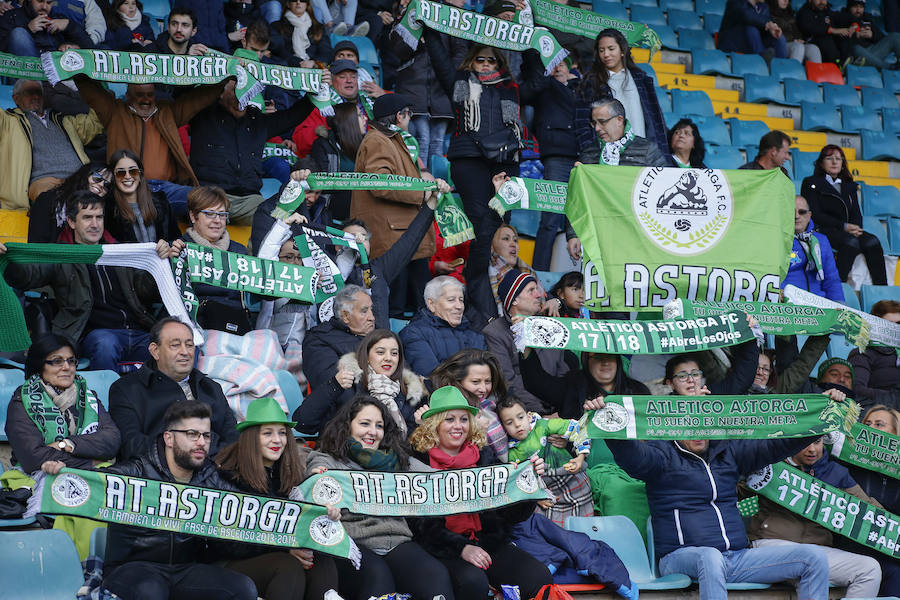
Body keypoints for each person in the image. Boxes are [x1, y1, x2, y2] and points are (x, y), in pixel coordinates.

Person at [587, 397, 832, 600]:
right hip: (680, 557)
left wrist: (822, 416)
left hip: (735, 558)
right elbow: (634, 457)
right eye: (689, 425)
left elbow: (776, 446)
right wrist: (611, 426)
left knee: (814, 558)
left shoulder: (728, 452)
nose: (698, 431)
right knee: (710, 556)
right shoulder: (663, 456)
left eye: (703, 423)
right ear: (674, 426)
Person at [73, 402, 257, 600]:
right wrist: (61, 473)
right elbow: (91, 482)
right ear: (169, 438)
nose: (202, 442)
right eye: (192, 434)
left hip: (186, 569)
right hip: (132, 568)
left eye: (206, 435)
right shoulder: (138, 471)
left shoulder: (211, 477)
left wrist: (286, 541)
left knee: (243, 588)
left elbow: (248, 516)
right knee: (151, 591)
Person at [409, 386, 554, 599]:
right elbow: (419, 525)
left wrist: (527, 486)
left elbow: (509, 514)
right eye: (449, 419)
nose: (458, 426)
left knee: (538, 577)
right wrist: (461, 548)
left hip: (487, 541)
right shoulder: (418, 461)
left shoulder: (483, 454)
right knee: (473, 582)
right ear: (434, 424)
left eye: (464, 419)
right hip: (443, 548)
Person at [307, 395, 455, 600]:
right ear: (347, 426)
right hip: (353, 544)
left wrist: (505, 476)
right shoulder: (329, 458)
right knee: (378, 577)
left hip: (396, 541)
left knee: (435, 575)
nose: (372, 432)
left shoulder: (397, 459)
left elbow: (444, 481)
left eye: (379, 426)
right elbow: (313, 480)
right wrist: (317, 481)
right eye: (364, 424)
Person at [1, 193, 162, 371]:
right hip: (93, 336)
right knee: (105, 343)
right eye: (87, 218)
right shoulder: (63, 255)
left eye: (99, 217)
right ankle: (104, 398)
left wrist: (163, 261)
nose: (95, 224)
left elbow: (148, 291)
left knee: (176, 344)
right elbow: (27, 276)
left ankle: (176, 397)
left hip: (138, 332)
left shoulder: (119, 253)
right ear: (71, 222)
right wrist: (7, 261)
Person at [214, 397, 340, 600]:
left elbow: (300, 526)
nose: (277, 440)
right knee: (288, 565)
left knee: (319, 557)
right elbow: (227, 542)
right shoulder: (228, 473)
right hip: (232, 560)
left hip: (277, 553)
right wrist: (283, 546)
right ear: (251, 437)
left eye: (282, 433)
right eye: (267, 433)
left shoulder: (289, 471)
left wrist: (323, 510)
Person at [746, 436, 884, 597]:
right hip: (770, 545)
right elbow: (730, 492)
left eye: (817, 442)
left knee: (869, 568)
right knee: (810, 561)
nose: (812, 449)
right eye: (805, 443)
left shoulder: (836, 473)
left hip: (818, 549)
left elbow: (871, 513)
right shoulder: (771, 465)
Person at [351, 93, 450, 315]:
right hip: (394, 238)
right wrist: (421, 194)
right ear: (399, 116)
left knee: (420, 306)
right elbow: (381, 184)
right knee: (401, 308)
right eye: (409, 115)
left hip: (402, 234)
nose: (410, 119)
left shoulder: (390, 139)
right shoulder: (378, 140)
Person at [6, 334, 120, 515]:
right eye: (56, 361)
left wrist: (66, 444)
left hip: (84, 476)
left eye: (71, 361)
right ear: (39, 366)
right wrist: (92, 460)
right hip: (36, 476)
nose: (66, 367)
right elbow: (32, 458)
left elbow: (111, 440)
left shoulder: (88, 396)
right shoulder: (22, 400)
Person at [425, 38, 524, 245]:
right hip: (469, 157)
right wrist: (429, 28)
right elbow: (440, 61)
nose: (486, 63)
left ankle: (498, 271)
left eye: (492, 60)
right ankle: (479, 275)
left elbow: (537, 81)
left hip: (505, 159)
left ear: (500, 64)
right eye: (480, 59)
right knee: (479, 218)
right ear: (471, 61)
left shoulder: (511, 87)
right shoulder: (458, 82)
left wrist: (534, 42)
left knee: (503, 219)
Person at [188, 76, 320, 223]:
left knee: (279, 219)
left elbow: (292, 116)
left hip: (248, 200)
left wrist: (315, 89)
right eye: (236, 89)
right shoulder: (202, 114)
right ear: (221, 90)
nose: (241, 95)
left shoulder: (257, 121)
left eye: (246, 89)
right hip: (208, 195)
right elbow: (181, 94)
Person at [75, 72, 226, 199]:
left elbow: (197, 100)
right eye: (139, 95)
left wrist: (225, 79)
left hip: (166, 188)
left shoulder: (167, 112)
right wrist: (75, 69)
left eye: (150, 95)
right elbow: (92, 94)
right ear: (127, 96)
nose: (146, 100)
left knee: (204, 200)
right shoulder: (115, 112)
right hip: (128, 188)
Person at [107, 317, 240, 460]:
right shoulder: (126, 389)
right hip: (157, 476)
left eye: (189, 345)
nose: (185, 352)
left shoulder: (211, 387)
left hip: (213, 472)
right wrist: (184, 450)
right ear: (155, 351)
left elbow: (233, 441)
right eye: (175, 345)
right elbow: (131, 445)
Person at [566, 96, 667, 261]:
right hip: (597, 235)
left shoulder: (648, 150)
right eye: (594, 123)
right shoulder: (589, 154)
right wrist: (573, 234)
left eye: (602, 121)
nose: (597, 128)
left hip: (638, 236)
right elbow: (576, 199)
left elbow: (665, 191)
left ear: (619, 120)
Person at [295, 328, 426, 434]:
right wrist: (334, 385)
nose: (388, 358)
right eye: (380, 352)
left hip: (392, 462)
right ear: (367, 356)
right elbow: (303, 423)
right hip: (344, 459)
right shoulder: (347, 385)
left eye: (394, 353)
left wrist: (420, 427)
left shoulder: (408, 392)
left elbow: (411, 446)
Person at [518, 51, 581, 270]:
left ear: (570, 68)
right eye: (553, 65)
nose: (558, 68)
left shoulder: (582, 89)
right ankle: (539, 273)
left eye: (562, 64)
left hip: (583, 159)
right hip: (556, 158)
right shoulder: (542, 87)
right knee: (550, 221)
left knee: (581, 221)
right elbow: (525, 91)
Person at [0, 77, 103, 210]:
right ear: (16, 98)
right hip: (43, 181)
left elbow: (96, 121)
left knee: (103, 194)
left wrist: (86, 81)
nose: (36, 96)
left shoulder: (63, 120)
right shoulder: (8, 121)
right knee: (52, 201)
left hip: (79, 178)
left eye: (38, 92)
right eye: (29, 92)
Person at [497, 396, 594, 527]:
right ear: (503, 427)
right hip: (543, 489)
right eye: (509, 422)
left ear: (529, 416)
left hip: (569, 477)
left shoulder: (542, 425)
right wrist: (536, 497)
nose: (517, 424)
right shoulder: (511, 451)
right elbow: (519, 481)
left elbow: (578, 427)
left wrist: (581, 456)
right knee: (546, 525)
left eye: (520, 417)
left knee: (582, 525)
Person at [801, 144, 888, 286]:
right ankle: (835, 284)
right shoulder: (811, 183)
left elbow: (856, 212)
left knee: (873, 242)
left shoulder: (849, 185)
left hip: (847, 230)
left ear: (842, 164)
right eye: (829, 158)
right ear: (821, 163)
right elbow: (815, 214)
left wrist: (856, 228)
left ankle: (882, 287)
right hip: (823, 229)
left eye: (838, 158)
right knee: (850, 242)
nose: (834, 162)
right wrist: (843, 226)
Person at [575, 29, 668, 157]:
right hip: (609, 156)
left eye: (611, 48)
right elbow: (582, 123)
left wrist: (662, 154)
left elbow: (656, 121)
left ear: (622, 51)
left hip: (644, 153)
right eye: (601, 51)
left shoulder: (642, 79)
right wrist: (591, 154)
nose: (606, 54)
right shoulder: (590, 83)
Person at [839, 405, 900, 596]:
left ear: (895, 434)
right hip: (851, 545)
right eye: (867, 424)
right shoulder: (845, 462)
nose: (871, 428)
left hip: (890, 550)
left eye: (879, 425)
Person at [179, 186, 252, 334]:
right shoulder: (179, 249)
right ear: (193, 217)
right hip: (196, 329)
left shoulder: (239, 251)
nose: (217, 220)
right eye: (210, 214)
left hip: (236, 327)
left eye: (222, 214)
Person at [430, 349, 510, 461]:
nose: (483, 389)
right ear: (456, 381)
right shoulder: (438, 409)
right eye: (475, 382)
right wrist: (476, 432)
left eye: (487, 381)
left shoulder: (491, 406)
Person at [399, 276, 488, 377]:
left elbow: (487, 374)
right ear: (431, 304)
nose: (459, 306)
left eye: (461, 300)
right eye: (451, 300)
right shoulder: (413, 333)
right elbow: (432, 375)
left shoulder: (475, 335)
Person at [522, 351, 651, 420]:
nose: (605, 362)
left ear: (618, 361)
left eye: (610, 356)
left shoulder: (639, 391)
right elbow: (536, 381)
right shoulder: (572, 387)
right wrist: (524, 342)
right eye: (598, 357)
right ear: (586, 361)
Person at [302, 284, 375, 391]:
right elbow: (335, 389)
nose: (372, 318)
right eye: (364, 311)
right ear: (345, 316)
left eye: (371, 310)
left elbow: (402, 375)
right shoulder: (319, 340)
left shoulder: (378, 335)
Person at [104, 149, 177, 243]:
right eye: (120, 172)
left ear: (140, 174)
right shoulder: (108, 209)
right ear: (113, 177)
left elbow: (175, 239)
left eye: (133, 171)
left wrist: (168, 247)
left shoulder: (161, 201)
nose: (127, 176)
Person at [309, 101, 365, 221]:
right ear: (349, 121)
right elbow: (320, 182)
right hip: (333, 208)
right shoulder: (323, 144)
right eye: (360, 115)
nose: (365, 118)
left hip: (363, 206)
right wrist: (353, 182)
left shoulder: (367, 144)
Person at [28, 162, 110, 242]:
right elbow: (36, 243)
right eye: (97, 177)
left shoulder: (102, 211)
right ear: (85, 174)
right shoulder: (47, 200)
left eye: (107, 185)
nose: (101, 184)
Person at [783, 194, 844, 302]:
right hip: (790, 304)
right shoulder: (779, 241)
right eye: (792, 211)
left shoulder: (821, 241)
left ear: (809, 215)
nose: (796, 216)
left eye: (802, 212)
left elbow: (831, 278)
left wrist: (840, 304)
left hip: (819, 304)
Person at [848, 300, 900, 408]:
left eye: (899, 324)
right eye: (889, 325)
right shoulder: (863, 353)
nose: (895, 329)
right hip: (883, 412)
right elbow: (857, 390)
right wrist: (895, 398)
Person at [0, 0, 92, 56]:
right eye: (40, 1)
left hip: (55, 77)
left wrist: (69, 26)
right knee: (19, 33)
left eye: (49, 2)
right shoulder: (11, 16)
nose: (44, 6)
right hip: (26, 76)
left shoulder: (59, 18)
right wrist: (28, 30)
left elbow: (90, 49)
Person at [489, 222, 543, 315]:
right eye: (506, 239)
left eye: (515, 240)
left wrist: (557, 302)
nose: (513, 244)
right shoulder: (482, 274)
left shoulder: (527, 271)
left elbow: (544, 301)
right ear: (492, 246)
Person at [717, 0, 787, 59]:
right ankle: (761, 61)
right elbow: (746, 15)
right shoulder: (735, 2)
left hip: (753, 42)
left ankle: (781, 67)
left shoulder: (764, 6)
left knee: (778, 37)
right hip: (731, 42)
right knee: (751, 29)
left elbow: (766, 23)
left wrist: (771, 30)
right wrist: (767, 24)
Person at [844, 0, 900, 69]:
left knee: (894, 36)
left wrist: (872, 35)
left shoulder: (867, 18)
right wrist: (856, 35)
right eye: (855, 7)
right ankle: (890, 67)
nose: (858, 10)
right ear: (849, 7)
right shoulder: (842, 18)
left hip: (873, 52)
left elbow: (882, 38)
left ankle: (877, 64)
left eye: (861, 7)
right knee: (856, 49)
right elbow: (840, 42)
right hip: (857, 54)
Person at [277, 0, 333, 65]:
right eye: (295, 0)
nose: (298, 2)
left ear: (307, 4)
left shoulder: (318, 27)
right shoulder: (277, 26)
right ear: (288, 4)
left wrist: (313, 62)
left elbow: (326, 51)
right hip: (287, 68)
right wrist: (298, 63)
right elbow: (278, 50)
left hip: (312, 69)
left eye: (302, 0)